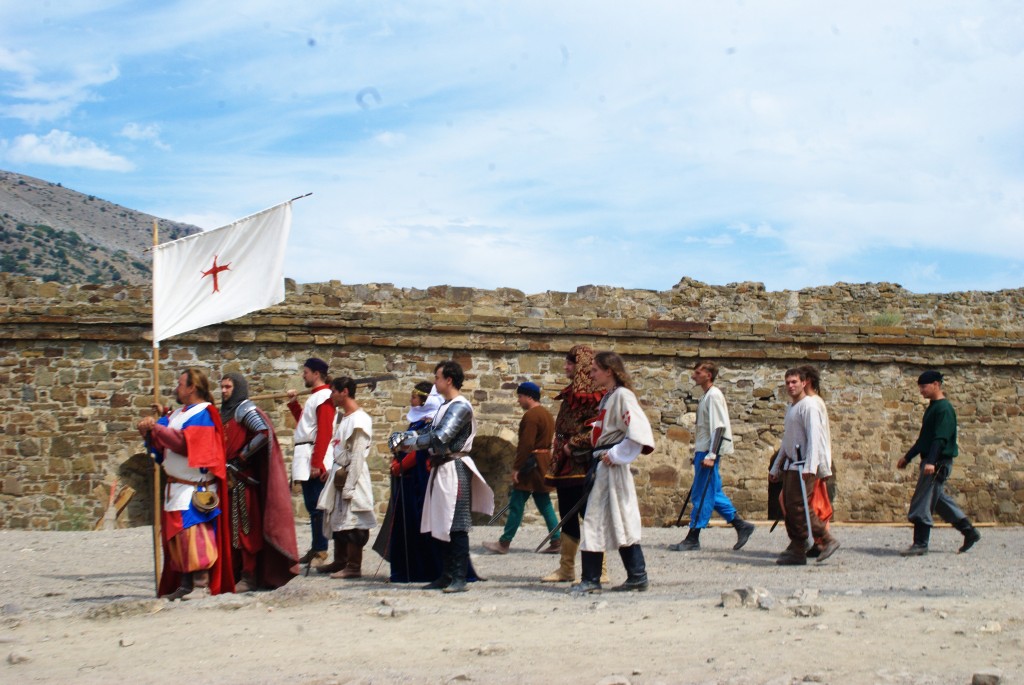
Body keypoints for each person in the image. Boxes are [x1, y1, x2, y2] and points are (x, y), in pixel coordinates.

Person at [389, 360, 494, 593]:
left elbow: (440, 437)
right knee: (439, 521)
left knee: (456, 524)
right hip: (441, 468)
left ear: (449, 380)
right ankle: (446, 574)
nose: (435, 382)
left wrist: (410, 442)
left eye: (438, 378)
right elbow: (427, 431)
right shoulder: (444, 406)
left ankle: (459, 577)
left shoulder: (461, 406)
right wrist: (403, 439)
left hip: (454, 468)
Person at [137, 368, 234, 599]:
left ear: (192, 388)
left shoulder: (205, 413)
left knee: (194, 535)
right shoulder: (175, 414)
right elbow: (159, 444)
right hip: (176, 487)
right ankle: (184, 584)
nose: (177, 387)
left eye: (181, 383)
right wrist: (147, 432)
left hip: (194, 487)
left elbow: (186, 444)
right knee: (177, 538)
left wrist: (156, 429)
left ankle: (201, 583)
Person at [571, 352, 656, 595]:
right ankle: (622, 576)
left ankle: (607, 577)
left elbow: (639, 431)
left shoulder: (622, 395)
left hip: (611, 466)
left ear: (609, 371)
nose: (591, 374)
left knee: (618, 517)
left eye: (596, 369)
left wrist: (617, 454)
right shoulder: (608, 397)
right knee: (599, 519)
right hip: (602, 464)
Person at [220, 373, 299, 591]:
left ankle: (249, 576)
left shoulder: (244, 410)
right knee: (230, 530)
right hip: (227, 479)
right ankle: (235, 573)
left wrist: (242, 456)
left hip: (242, 480)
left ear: (237, 389)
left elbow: (263, 433)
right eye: (222, 386)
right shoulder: (224, 412)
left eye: (228, 387)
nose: (224, 390)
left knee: (245, 530)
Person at [669, 361, 755, 552]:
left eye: (698, 372)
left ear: (708, 375)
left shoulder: (714, 396)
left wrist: (712, 454)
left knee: (701, 493)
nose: (694, 376)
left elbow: (719, 427)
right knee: (713, 493)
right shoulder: (706, 396)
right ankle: (741, 525)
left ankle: (693, 536)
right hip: (704, 450)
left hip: (708, 452)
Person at [896, 370, 981, 556]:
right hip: (932, 460)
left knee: (922, 500)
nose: (921, 391)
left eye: (924, 386)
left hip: (938, 462)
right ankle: (969, 531)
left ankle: (920, 543)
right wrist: (908, 457)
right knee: (939, 501)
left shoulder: (944, 409)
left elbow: (940, 439)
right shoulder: (933, 407)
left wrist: (931, 462)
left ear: (936, 384)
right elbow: (924, 439)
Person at [541, 345, 605, 582]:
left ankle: (601, 570)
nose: (566, 367)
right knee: (567, 513)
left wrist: (574, 444)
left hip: (582, 463)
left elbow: (598, 426)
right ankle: (566, 568)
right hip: (564, 463)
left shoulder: (596, 395)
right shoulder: (571, 393)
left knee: (589, 514)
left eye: (570, 363)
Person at [768, 368, 840, 565]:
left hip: (804, 466)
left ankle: (825, 539)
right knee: (791, 507)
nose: (791, 386)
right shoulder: (792, 408)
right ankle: (798, 548)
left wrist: (812, 465)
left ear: (803, 383)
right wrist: (776, 467)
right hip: (792, 465)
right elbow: (788, 440)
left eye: (794, 382)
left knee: (800, 507)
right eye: (788, 383)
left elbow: (815, 438)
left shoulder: (809, 406)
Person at [482, 381, 559, 554]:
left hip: (530, 465)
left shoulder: (531, 416)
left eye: (520, 396)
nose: (518, 400)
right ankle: (556, 540)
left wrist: (517, 468)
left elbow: (526, 445)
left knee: (516, 502)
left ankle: (504, 543)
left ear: (529, 397)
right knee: (544, 502)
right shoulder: (546, 414)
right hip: (543, 462)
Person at [316, 377, 376, 578]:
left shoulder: (360, 420)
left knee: (354, 522)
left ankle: (353, 566)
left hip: (353, 474)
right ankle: (340, 561)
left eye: (334, 391)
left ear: (344, 392)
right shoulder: (346, 418)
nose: (331, 395)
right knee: (338, 518)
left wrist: (350, 486)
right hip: (340, 471)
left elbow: (358, 454)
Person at [387, 382, 444, 583]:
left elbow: (419, 451)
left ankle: (421, 570)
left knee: (416, 523)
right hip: (408, 479)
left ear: (424, 400)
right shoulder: (417, 422)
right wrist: (396, 459)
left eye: (414, 397)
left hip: (418, 480)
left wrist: (401, 464)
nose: (411, 400)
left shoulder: (430, 423)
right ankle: (407, 569)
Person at [284, 357, 335, 567]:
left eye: (306, 372)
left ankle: (321, 550)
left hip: (313, 456)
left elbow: (324, 432)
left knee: (317, 506)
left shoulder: (324, 397)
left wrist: (318, 463)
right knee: (311, 505)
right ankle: (316, 547)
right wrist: (294, 404)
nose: (303, 375)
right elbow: (305, 427)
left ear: (316, 374)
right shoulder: (316, 397)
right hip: (306, 454)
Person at [798, 365, 836, 558]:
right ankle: (816, 541)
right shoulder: (809, 402)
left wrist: (819, 465)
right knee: (812, 502)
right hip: (810, 461)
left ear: (808, 381)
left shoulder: (814, 402)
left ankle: (822, 540)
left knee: (815, 504)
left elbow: (818, 437)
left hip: (813, 462)